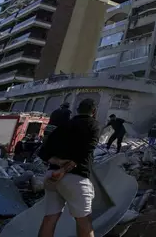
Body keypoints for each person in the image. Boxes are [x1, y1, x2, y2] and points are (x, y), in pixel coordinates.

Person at [37, 98, 99, 237]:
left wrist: (57, 162)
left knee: (50, 219)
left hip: (51, 177)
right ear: (94, 111)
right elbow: (87, 150)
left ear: (77, 110)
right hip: (75, 179)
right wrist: (63, 170)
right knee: (84, 221)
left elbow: (42, 152)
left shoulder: (63, 126)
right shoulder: (92, 124)